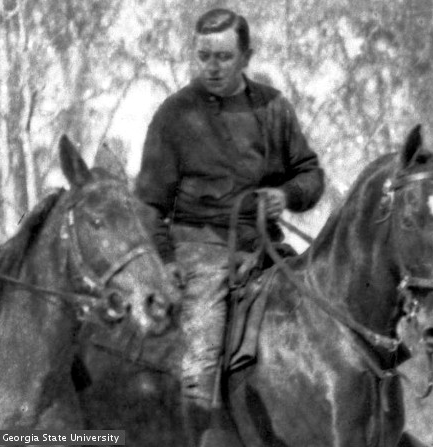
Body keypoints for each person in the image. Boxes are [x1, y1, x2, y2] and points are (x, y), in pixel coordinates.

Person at [135, 8, 324, 446]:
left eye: (223, 57)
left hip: (266, 248)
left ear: (246, 57)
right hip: (200, 252)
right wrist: (166, 261)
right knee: (200, 360)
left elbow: (310, 173)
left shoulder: (273, 107)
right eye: (204, 56)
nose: (212, 67)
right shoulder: (175, 115)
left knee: (325, 312)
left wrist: (286, 196)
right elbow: (147, 204)